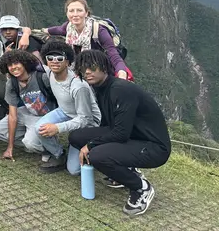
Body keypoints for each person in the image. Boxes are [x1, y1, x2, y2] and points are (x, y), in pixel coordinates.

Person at [69, 50, 171, 217]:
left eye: (92, 67)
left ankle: (141, 188)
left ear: (104, 67)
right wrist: (92, 142)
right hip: (132, 136)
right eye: (83, 68)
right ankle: (125, 168)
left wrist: (91, 145)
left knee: (97, 155)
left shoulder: (120, 89)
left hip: (153, 147)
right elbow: (109, 125)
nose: (87, 72)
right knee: (76, 137)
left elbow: (121, 133)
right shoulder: (100, 88)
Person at [23, 0, 131, 80]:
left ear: (86, 13)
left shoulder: (98, 31)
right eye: (71, 11)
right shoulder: (68, 27)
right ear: (67, 13)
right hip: (79, 70)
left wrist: (122, 73)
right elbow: (45, 31)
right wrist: (26, 32)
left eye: (79, 10)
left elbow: (113, 54)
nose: (75, 14)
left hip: (100, 71)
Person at [34, 41, 101, 174]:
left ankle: (90, 146)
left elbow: (85, 119)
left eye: (60, 58)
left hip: (88, 123)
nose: (54, 61)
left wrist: (58, 128)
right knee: (39, 128)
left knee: (74, 170)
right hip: (65, 112)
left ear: (67, 62)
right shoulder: (50, 72)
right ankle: (59, 154)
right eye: (50, 58)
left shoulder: (78, 86)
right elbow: (32, 62)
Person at [0, 50, 57, 161]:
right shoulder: (12, 83)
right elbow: (12, 116)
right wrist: (10, 147)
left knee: (30, 143)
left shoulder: (42, 77)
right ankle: (38, 143)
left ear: (25, 63)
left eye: (16, 63)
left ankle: (54, 149)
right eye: (9, 65)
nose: (13, 67)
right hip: (27, 111)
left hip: (46, 116)